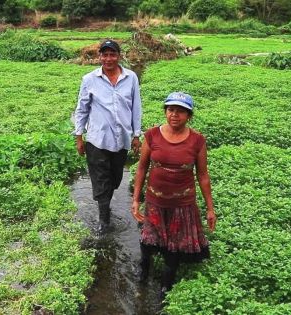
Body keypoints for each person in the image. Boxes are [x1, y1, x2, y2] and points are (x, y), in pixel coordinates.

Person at [131, 91, 216, 300]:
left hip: (183, 203)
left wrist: (210, 208)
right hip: (154, 200)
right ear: (165, 112)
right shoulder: (152, 135)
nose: (174, 115)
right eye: (170, 110)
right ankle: (143, 270)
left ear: (189, 115)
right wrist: (136, 200)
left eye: (180, 111)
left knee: (174, 246)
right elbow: (142, 168)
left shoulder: (197, 141)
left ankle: (165, 286)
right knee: (148, 239)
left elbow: (203, 175)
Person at [73, 39, 142, 234]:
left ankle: (106, 203)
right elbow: (82, 109)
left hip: (121, 140)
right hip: (97, 140)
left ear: (119, 56)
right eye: (105, 54)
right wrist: (79, 136)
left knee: (115, 178)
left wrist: (136, 135)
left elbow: (136, 108)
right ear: (100, 56)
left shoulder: (131, 78)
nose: (108, 58)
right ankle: (104, 220)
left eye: (112, 54)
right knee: (101, 178)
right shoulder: (89, 79)